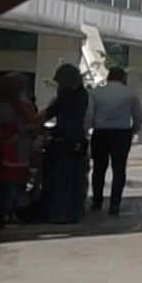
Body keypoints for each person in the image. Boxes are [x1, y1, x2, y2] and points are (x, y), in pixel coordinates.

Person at [87, 66, 142, 215]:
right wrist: (133, 130)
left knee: (99, 169)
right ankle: (115, 204)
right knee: (119, 169)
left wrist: (88, 128)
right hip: (121, 134)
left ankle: (97, 201)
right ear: (123, 78)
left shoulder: (96, 92)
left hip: (100, 133)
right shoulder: (130, 93)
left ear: (108, 77)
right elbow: (138, 116)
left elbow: (89, 114)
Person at [40, 64, 91, 224]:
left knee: (65, 179)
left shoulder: (75, 96)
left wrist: (51, 131)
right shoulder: (73, 94)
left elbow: (68, 118)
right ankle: (67, 212)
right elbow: (53, 112)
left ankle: (62, 213)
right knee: (69, 179)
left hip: (69, 141)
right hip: (70, 140)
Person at [0, 75, 41, 225]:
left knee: (20, 181)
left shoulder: (20, 103)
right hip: (12, 147)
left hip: (22, 147)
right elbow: (7, 126)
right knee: (10, 184)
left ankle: (16, 212)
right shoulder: (3, 106)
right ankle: (7, 213)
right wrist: (26, 128)